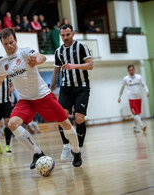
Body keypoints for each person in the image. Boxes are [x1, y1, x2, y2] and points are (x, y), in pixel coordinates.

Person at [0, 28, 82, 169]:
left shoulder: (25, 52)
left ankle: (76, 151)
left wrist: (36, 61)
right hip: (26, 101)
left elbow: (42, 57)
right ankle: (37, 153)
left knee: (66, 125)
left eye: (11, 42)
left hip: (43, 96)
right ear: (2, 44)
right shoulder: (3, 63)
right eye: (6, 44)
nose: (9, 46)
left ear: (16, 40)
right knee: (12, 124)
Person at [50, 24, 93, 161]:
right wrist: (51, 89)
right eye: (63, 35)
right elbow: (56, 72)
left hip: (82, 87)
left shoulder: (81, 47)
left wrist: (74, 65)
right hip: (66, 88)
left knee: (79, 118)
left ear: (73, 34)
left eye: (68, 35)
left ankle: (79, 149)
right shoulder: (58, 51)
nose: (65, 37)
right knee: (60, 117)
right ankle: (66, 146)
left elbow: (90, 65)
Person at [118, 64, 149, 133]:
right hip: (131, 98)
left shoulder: (139, 77)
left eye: (132, 70)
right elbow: (122, 88)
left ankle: (135, 127)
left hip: (139, 98)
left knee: (137, 114)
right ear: (128, 71)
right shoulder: (126, 79)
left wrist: (147, 91)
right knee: (135, 114)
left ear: (134, 70)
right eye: (129, 70)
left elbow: (144, 85)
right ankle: (142, 126)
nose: (131, 71)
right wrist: (119, 97)